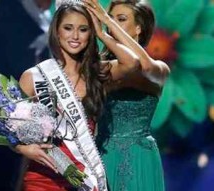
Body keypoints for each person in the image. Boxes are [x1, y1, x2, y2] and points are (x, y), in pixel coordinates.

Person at [16, 0, 143, 190]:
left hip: (85, 177)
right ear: (56, 31)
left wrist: (103, 27)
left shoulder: (98, 73)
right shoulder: (34, 76)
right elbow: (8, 129)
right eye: (68, 28)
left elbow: (133, 63)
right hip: (43, 177)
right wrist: (23, 148)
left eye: (83, 29)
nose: (75, 36)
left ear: (90, 34)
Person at [92, 0, 170, 190]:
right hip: (100, 154)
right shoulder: (99, 67)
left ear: (138, 28)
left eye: (121, 19)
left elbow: (143, 66)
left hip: (139, 157)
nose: (113, 24)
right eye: (111, 19)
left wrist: (104, 28)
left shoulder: (159, 69)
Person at [0, 0, 52, 190]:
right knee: (9, 174)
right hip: (14, 110)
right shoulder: (8, 12)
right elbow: (16, 68)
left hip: (37, 114)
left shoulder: (41, 14)